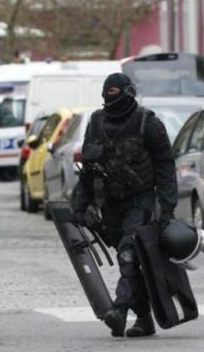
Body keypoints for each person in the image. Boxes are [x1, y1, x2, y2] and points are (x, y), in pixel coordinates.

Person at [73, 73, 178, 338]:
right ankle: (144, 319)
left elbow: (166, 167)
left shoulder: (148, 124)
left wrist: (166, 209)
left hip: (140, 201)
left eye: (116, 93)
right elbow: (87, 169)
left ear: (129, 92)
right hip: (109, 205)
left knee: (129, 255)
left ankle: (118, 310)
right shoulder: (96, 123)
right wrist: (79, 206)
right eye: (108, 93)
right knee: (128, 264)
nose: (112, 99)